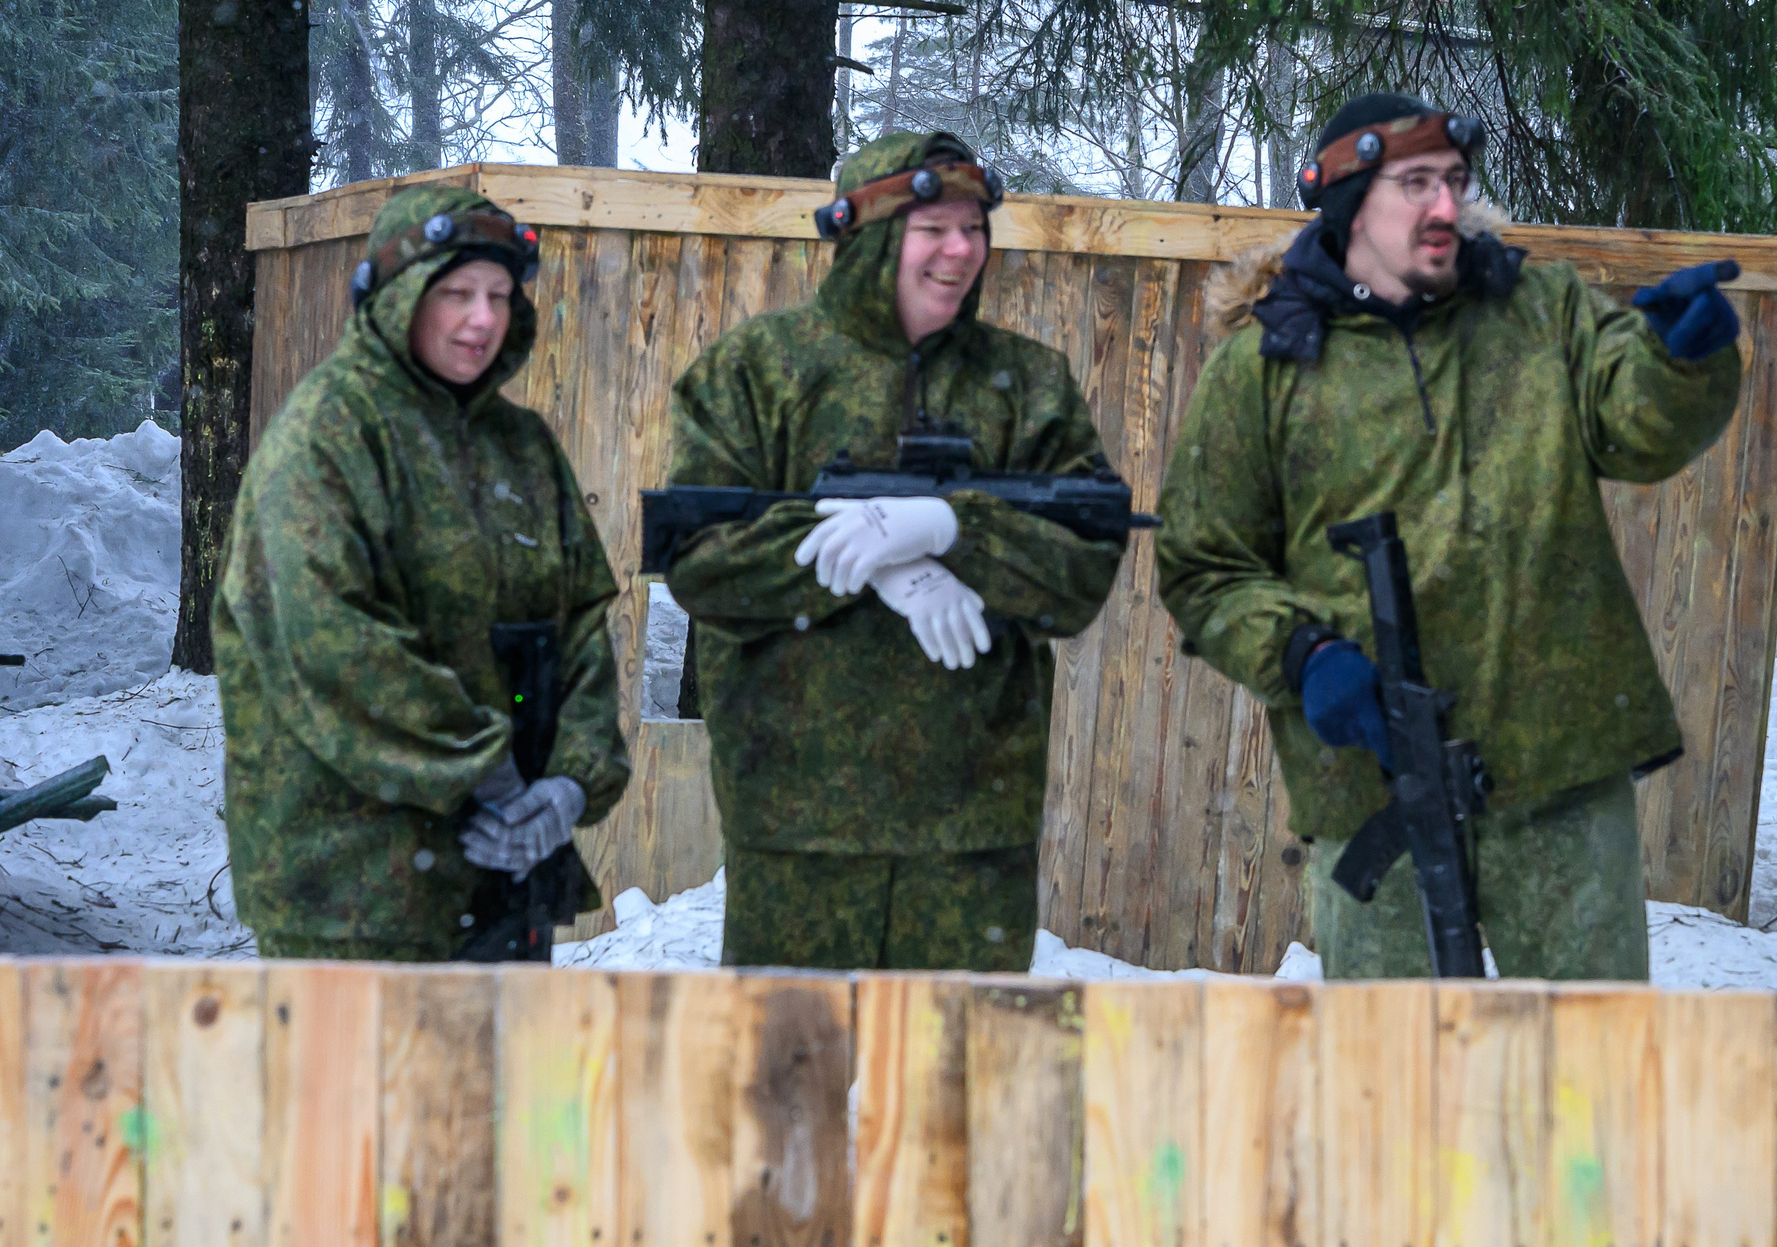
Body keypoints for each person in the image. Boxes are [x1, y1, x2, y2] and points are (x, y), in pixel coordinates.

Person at [1154, 93, 1746, 979]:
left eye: (1457, 182)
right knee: (1396, 1087)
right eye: (1417, 183)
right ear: (1350, 200)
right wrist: (1303, 655)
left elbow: (1639, 427)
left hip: (1559, 773)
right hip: (1370, 783)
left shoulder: (1538, 310)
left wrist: (1684, 362)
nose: (1447, 206)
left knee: (1589, 1066)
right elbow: (1201, 565)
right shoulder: (1265, 367)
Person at [661, 130, 1125, 971]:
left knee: (953, 1089)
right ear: (870, 232)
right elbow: (700, 556)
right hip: (795, 826)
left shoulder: (1029, 385)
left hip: (972, 829)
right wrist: (875, 559)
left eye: (975, 227)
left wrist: (959, 529)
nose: (961, 249)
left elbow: (1083, 569)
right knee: (793, 1085)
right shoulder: (758, 372)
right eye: (933, 227)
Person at [217, 186, 630, 961]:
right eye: (456, 293)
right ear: (400, 295)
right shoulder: (326, 435)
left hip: (505, 878)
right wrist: (489, 774)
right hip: (355, 890)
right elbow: (329, 642)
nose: (483, 318)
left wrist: (568, 785)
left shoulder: (523, 447)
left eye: (501, 295)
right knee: (362, 1087)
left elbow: (580, 630)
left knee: (498, 1085)